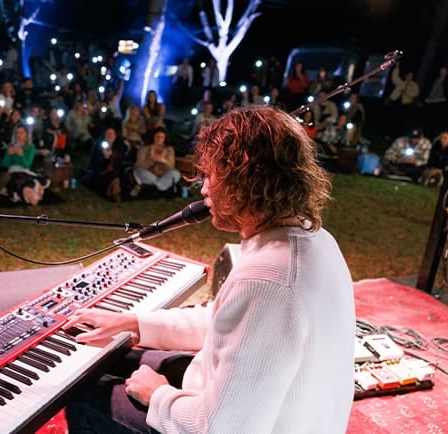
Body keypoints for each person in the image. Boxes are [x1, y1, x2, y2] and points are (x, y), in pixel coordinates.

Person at [64, 104, 355, 433]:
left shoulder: (268, 280)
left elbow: (221, 428)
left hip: (228, 423)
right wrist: (135, 323)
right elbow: (225, 320)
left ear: (243, 180)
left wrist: (157, 394)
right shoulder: (310, 239)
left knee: (85, 391)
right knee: (108, 359)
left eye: (210, 175)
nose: (202, 189)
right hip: (251, 409)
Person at [80, 127, 129, 203]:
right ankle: (115, 191)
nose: (110, 136)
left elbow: (120, 160)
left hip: (114, 170)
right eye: (108, 134)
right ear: (104, 136)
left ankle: (114, 190)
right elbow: (95, 163)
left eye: (112, 134)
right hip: (101, 170)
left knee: (117, 176)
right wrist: (104, 157)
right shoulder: (98, 145)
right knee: (111, 179)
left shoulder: (118, 146)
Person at [130, 126, 181, 197]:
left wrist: (164, 161)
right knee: (139, 172)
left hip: (162, 175)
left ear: (165, 138)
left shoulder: (169, 149)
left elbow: (171, 167)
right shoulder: (144, 148)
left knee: (176, 174)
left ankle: (155, 187)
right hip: (147, 173)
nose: (159, 139)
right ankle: (162, 189)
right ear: (153, 137)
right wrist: (152, 160)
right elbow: (140, 166)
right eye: (157, 136)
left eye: (162, 137)